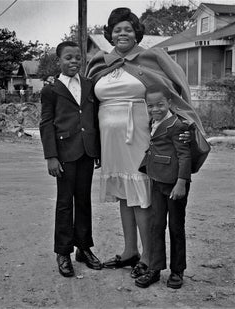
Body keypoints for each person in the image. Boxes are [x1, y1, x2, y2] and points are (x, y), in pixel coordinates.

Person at [86, 7, 205, 278]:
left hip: (140, 134)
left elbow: (175, 90)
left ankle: (149, 256)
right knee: (124, 196)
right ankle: (130, 251)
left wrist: (182, 129)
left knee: (142, 195)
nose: (123, 33)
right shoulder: (100, 63)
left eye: (128, 29)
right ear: (110, 35)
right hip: (110, 139)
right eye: (117, 30)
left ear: (136, 32)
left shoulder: (153, 58)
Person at [39, 41, 102, 277]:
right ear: (59, 61)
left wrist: (97, 151)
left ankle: (83, 248)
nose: (73, 61)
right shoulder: (50, 89)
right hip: (64, 153)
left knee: (84, 200)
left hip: (86, 151)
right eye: (68, 58)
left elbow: (93, 118)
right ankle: (63, 252)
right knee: (65, 203)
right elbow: (46, 123)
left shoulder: (89, 84)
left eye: (77, 57)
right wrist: (51, 157)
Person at [135, 84, 191, 289]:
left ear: (169, 102)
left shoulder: (178, 125)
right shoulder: (153, 121)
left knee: (176, 228)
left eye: (159, 104)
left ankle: (177, 271)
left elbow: (185, 155)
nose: (155, 109)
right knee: (156, 225)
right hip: (157, 181)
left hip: (175, 185)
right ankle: (155, 269)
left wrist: (181, 183)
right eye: (150, 106)